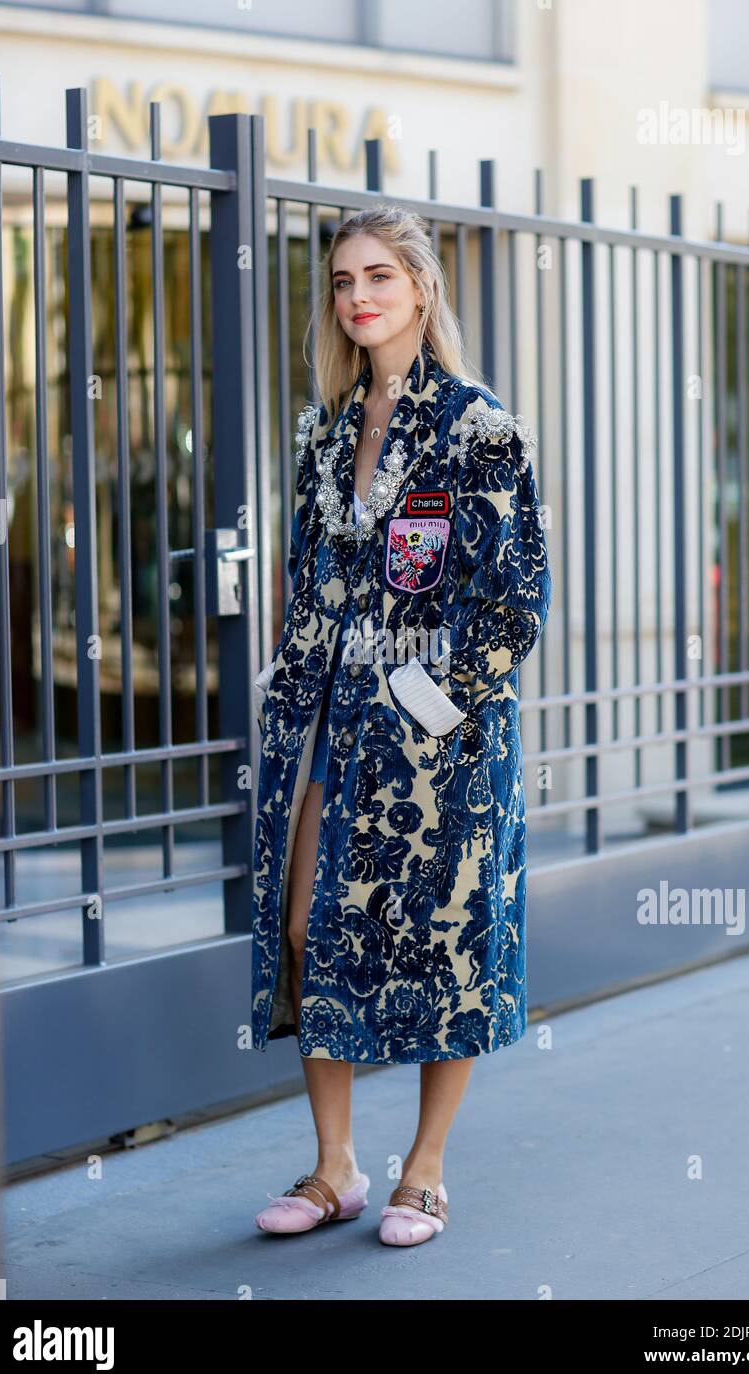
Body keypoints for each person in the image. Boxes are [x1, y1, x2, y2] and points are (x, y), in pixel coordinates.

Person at [251, 204, 552, 1246]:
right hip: (330, 732)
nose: (358, 296)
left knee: (441, 946)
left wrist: (427, 700)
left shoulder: (479, 426)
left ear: (420, 286)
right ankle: (334, 1166)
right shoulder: (325, 433)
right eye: (341, 281)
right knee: (304, 930)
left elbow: (517, 600)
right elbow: (307, 583)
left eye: (378, 274)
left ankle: (421, 1170)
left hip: (442, 753)